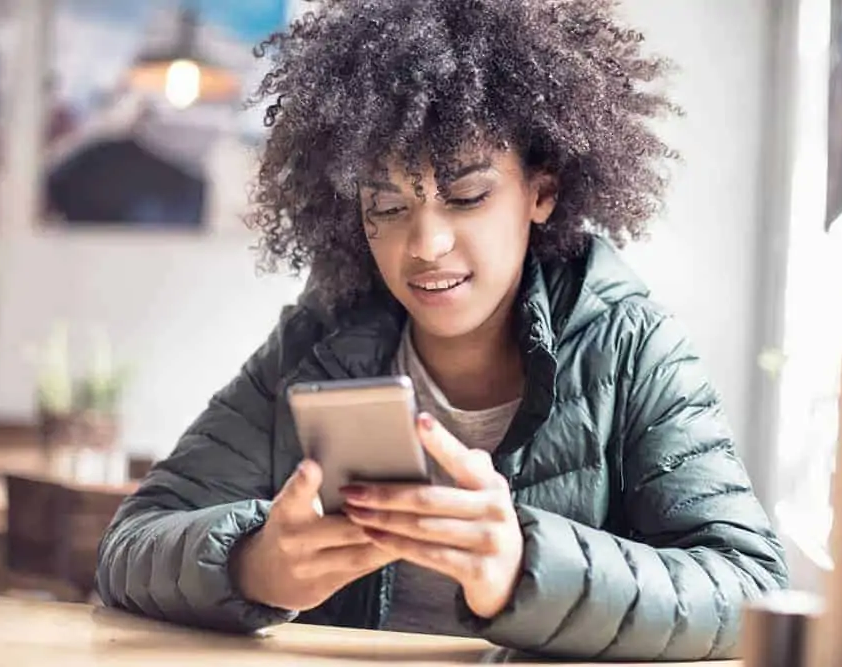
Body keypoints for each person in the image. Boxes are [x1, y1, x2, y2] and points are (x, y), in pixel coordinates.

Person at [96, 0, 788, 660]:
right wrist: (252, 564)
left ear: (541, 191)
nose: (424, 244)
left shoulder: (633, 349)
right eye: (387, 204)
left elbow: (753, 588)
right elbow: (129, 544)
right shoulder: (316, 345)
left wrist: (525, 566)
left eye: (466, 196)